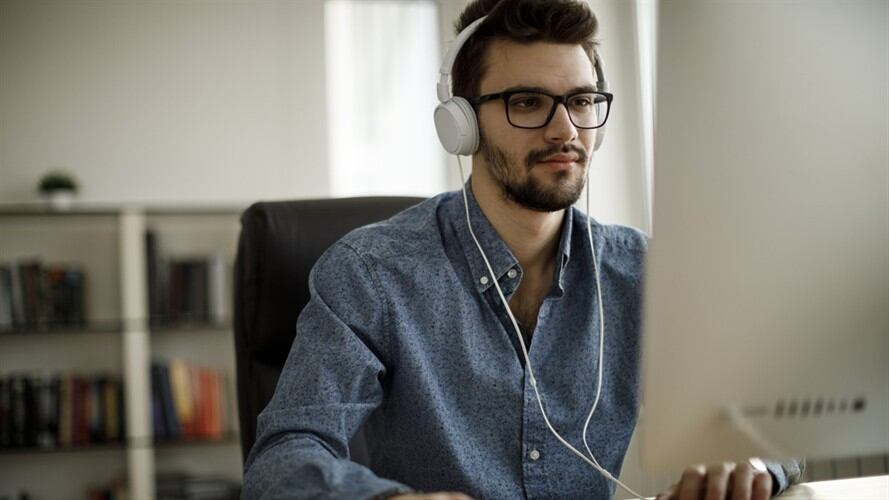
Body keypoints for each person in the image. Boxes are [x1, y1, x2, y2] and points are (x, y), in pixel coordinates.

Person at [242, 1, 803, 498]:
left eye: (581, 101)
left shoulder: (644, 272)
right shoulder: (371, 274)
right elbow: (284, 459)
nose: (565, 131)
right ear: (461, 124)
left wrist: (750, 459)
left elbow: (773, 425)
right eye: (528, 102)